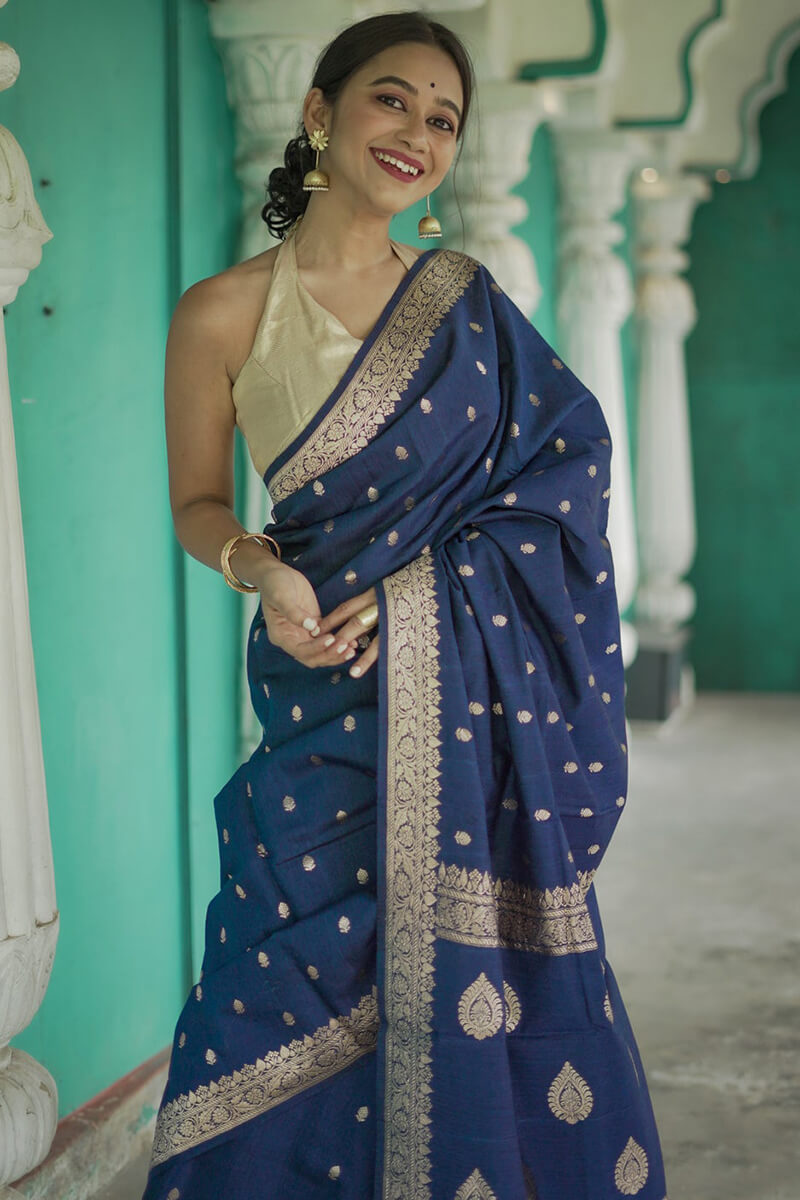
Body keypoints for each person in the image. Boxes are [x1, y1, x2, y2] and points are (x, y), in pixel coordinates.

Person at [141, 10, 667, 1199]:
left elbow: (567, 471)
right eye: (391, 100)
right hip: (319, 715)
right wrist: (258, 568)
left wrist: (430, 588)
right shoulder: (220, 313)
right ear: (319, 112)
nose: (417, 134)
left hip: (472, 739)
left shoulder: (467, 305)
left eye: (443, 120)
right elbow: (193, 503)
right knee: (264, 997)